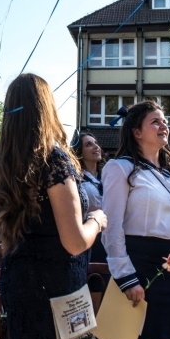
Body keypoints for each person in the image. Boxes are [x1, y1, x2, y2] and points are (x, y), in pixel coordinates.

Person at [0, 74, 106, 339]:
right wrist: (96, 220)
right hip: (57, 286)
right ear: (46, 107)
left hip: (18, 281)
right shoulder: (52, 159)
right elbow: (75, 241)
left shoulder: (2, 160)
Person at [102, 100, 170, 339]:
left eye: (165, 121)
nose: (164, 126)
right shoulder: (120, 168)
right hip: (138, 266)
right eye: (155, 122)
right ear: (137, 132)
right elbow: (111, 227)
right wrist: (126, 277)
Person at [72, 132, 108, 313]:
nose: (96, 147)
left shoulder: (106, 178)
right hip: (91, 238)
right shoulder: (77, 180)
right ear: (79, 152)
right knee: (95, 287)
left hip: (110, 239)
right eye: (88, 145)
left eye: (96, 143)